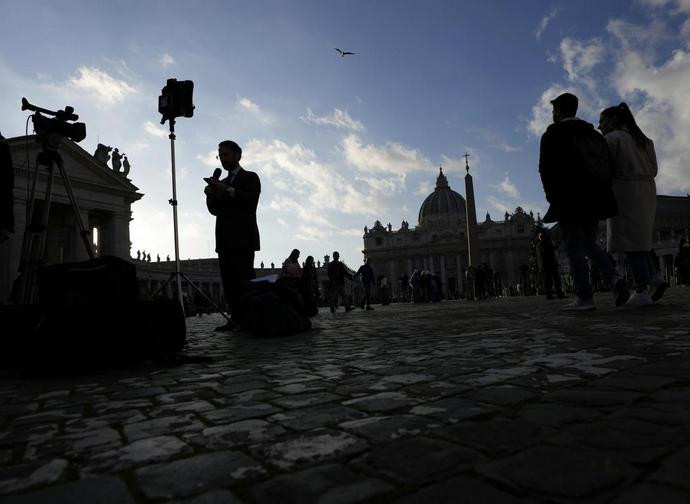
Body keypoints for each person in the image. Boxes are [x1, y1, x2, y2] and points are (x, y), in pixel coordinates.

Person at [539, 92, 627, 311]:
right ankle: (615, 278)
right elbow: (608, 166)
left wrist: (552, 197)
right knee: (589, 243)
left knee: (574, 247)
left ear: (559, 111)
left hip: (569, 198)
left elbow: (545, 170)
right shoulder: (594, 134)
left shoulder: (552, 134)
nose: (552, 114)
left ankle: (584, 297)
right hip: (596, 197)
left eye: (553, 111)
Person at [599, 103, 668, 305]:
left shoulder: (612, 139)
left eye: (602, 121)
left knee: (630, 242)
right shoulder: (645, 141)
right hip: (647, 189)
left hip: (624, 190)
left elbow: (603, 167)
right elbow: (654, 169)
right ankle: (654, 278)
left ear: (612, 121)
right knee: (641, 239)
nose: (600, 126)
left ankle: (641, 288)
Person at [205, 140, 260, 331]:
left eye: (226, 154)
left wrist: (226, 189)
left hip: (243, 237)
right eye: (220, 156)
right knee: (228, 282)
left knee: (245, 279)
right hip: (224, 238)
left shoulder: (250, 177)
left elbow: (250, 201)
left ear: (238, 155)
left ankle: (251, 317)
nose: (222, 159)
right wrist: (210, 194)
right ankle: (235, 318)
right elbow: (214, 210)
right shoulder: (223, 182)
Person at [536, 227, 566, 300]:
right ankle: (557, 293)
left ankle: (551, 294)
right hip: (549, 262)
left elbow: (541, 255)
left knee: (550, 279)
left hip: (547, 262)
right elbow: (548, 251)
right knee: (554, 278)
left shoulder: (542, 243)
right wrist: (555, 247)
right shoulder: (546, 242)